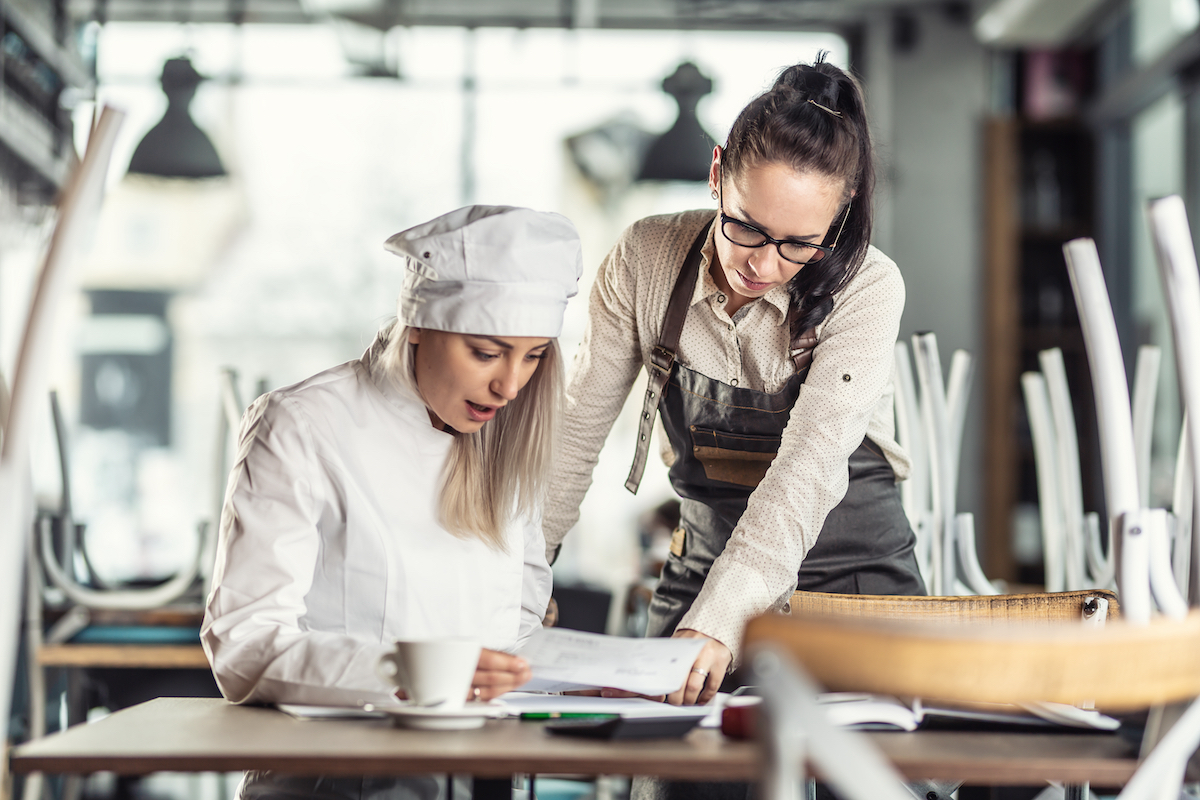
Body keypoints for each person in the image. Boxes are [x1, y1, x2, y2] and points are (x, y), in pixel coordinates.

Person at [544, 53, 926, 710]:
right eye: (745, 228)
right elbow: (574, 431)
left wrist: (715, 625)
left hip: (854, 581)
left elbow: (806, 472)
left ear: (839, 218)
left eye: (798, 245)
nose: (763, 264)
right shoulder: (646, 258)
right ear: (718, 175)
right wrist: (518, 575)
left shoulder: (868, 286)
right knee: (673, 773)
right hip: (705, 561)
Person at [201, 205, 582, 800]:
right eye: (487, 352)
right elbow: (244, 647)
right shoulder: (303, 426)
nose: (510, 386)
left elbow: (517, 623)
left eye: (533, 357)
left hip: (484, 774)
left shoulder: (508, 436)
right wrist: (404, 672)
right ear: (421, 326)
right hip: (331, 779)